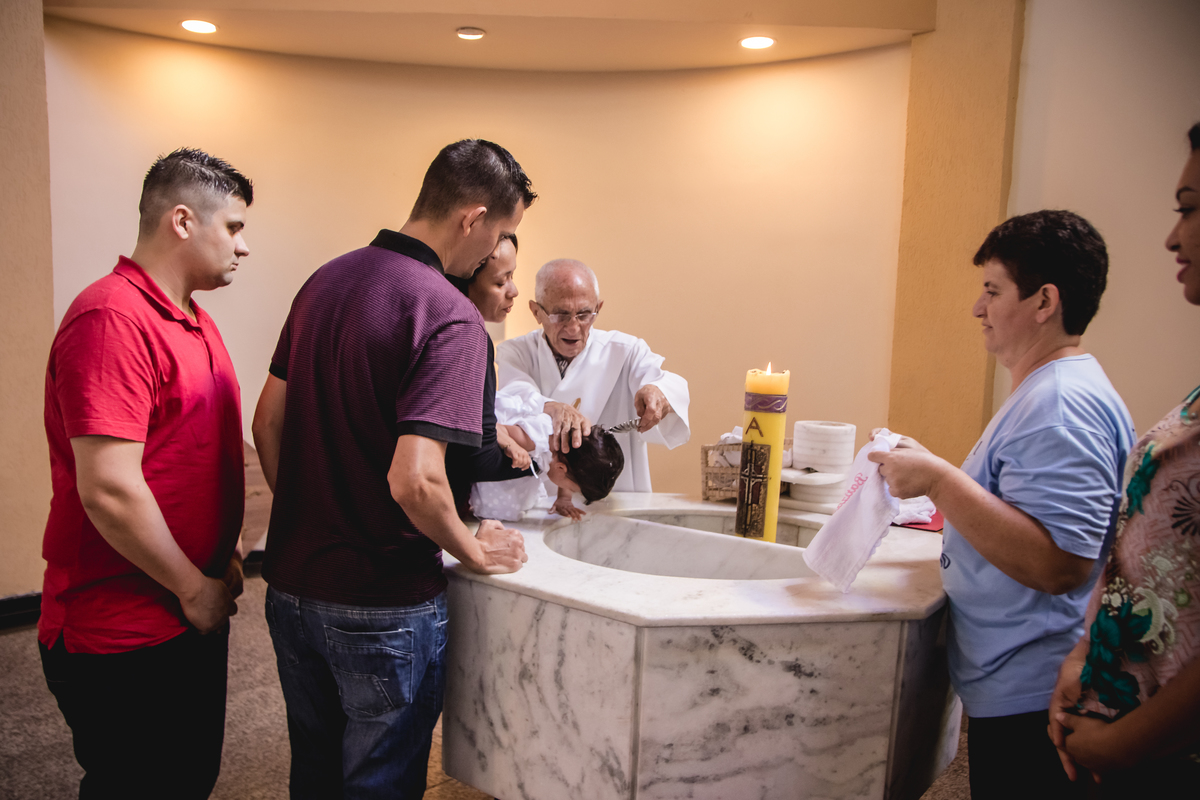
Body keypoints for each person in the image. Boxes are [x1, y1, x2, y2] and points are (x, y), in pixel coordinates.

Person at [251, 139, 533, 799]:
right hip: (380, 603)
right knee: (379, 783)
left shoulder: (324, 280)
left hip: (291, 585)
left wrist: (310, 511)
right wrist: (473, 550)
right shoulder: (450, 315)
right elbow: (416, 479)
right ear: (472, 218)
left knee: (315, 774)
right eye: (502, 232)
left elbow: (266, 421)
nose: (497, 249)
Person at [868, 210, 1135, 800]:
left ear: (1045, 301)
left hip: (1034, 691)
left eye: (992, 290)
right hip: (1015, 679)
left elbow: (1060, 562)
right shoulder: (1050, 388)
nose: (977, 307)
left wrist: (940, 481)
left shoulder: (1062, 403)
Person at [38, 148, 251, 799]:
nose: (244, 248)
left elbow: (196, 454)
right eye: (235, 227)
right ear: (182, 221)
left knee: (187, 780)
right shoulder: (111, 319)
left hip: (185, 608)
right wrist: (193, 587)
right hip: (121, 625)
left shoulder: (195, 321)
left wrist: (226, 554)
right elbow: (108, 488)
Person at [1047, 123, 1200, 792]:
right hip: (1114, 713)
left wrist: (1128, 743)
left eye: (1190, 207)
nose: (1173, 235)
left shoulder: (1063, 398)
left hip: (1162, 751)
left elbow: (1067, 557)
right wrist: (1086, 656)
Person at [496, 257, 690, 503]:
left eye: (584, 314)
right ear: (536, 312)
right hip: (538, 504)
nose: (574, 327)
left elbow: (665, 383)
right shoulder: (516, 352)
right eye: (560, 314)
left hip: (615, 505)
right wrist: (552, 407)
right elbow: (513, 395)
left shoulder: (625, 350)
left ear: (598, 308)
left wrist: (659, 395)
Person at [444, 234, 536, 513]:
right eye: (500, 281)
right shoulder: (470, 338)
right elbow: (472, 454)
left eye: (513, 276)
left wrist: (499, 434)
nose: (514, 291)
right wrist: (540, 465)